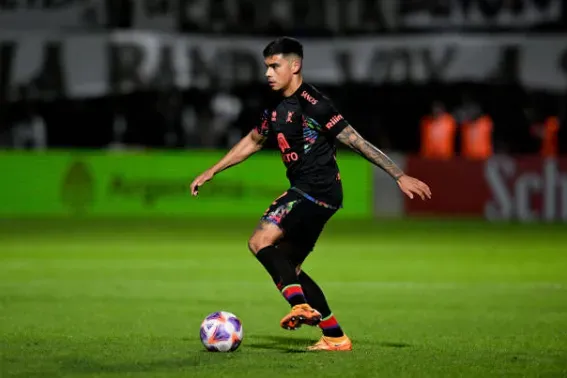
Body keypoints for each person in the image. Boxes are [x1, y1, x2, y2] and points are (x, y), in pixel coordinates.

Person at [189, 37, 432, 351]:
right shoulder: (275, 107)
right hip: (314, 194)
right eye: (266, 67)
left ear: (295, 65)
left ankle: (300, 306)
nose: (268, 73)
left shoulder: (314, 104)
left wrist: (398, 174)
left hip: (314, 190)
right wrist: (213, 170)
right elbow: (253, 140)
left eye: (275, 66)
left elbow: (355, 140)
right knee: (289, 266)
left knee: (259, 241)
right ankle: (335, 336)